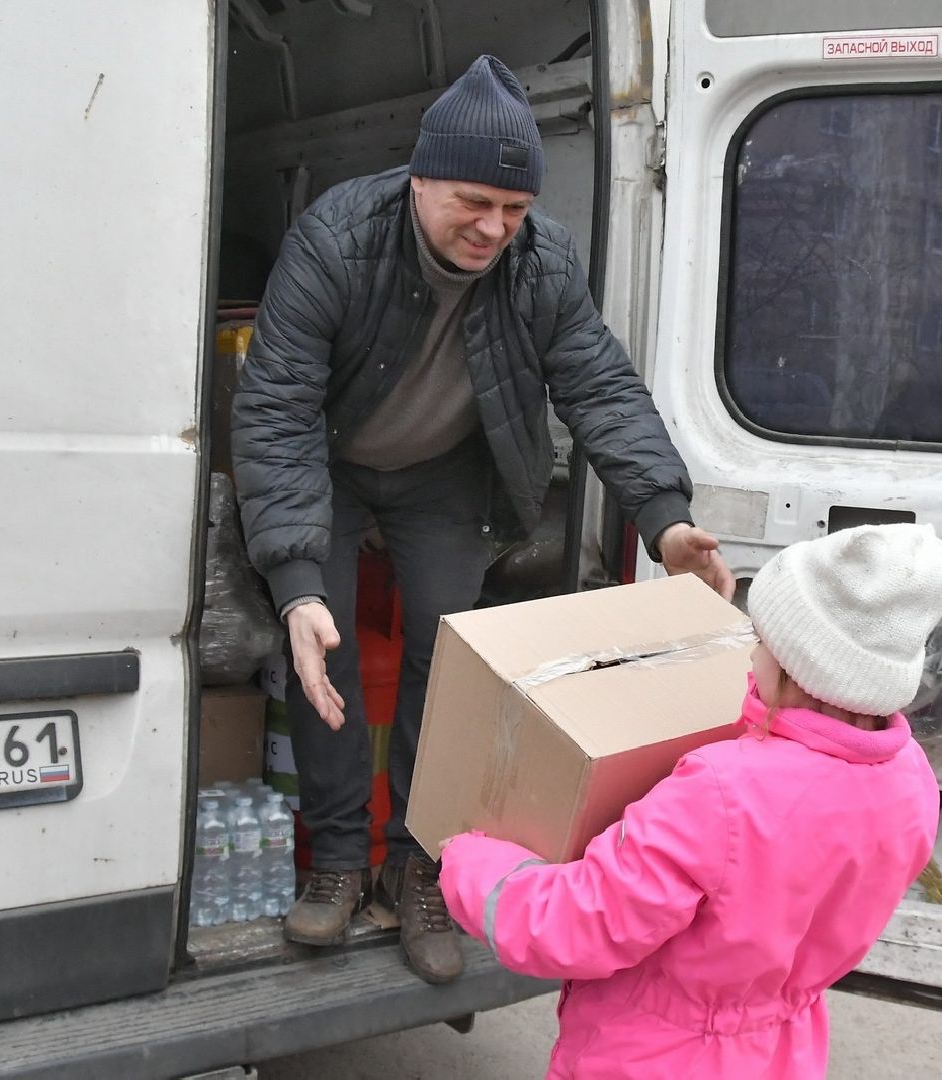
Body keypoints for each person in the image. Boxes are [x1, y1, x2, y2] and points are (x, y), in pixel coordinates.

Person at [231, 54, 733, 985]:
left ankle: (420, 866)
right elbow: (277, 408)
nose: (493, 229)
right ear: (419, 178)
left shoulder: (539, 263)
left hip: (443, 478)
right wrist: (296, 580)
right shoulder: (335, 240)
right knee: (325, 648)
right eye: (472, 202)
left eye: (514, 210)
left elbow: (598, 385)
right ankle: (339, 861)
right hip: (332, 467)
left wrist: (664, 518)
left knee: (450, 662)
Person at [439, 523, 942, 1077]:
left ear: (794, 663)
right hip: (784, 1053)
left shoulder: (719, 792)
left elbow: (577, 923)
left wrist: (471, 861)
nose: (751, 655)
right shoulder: (910, 779)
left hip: (658, 1058)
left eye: (760, 639)